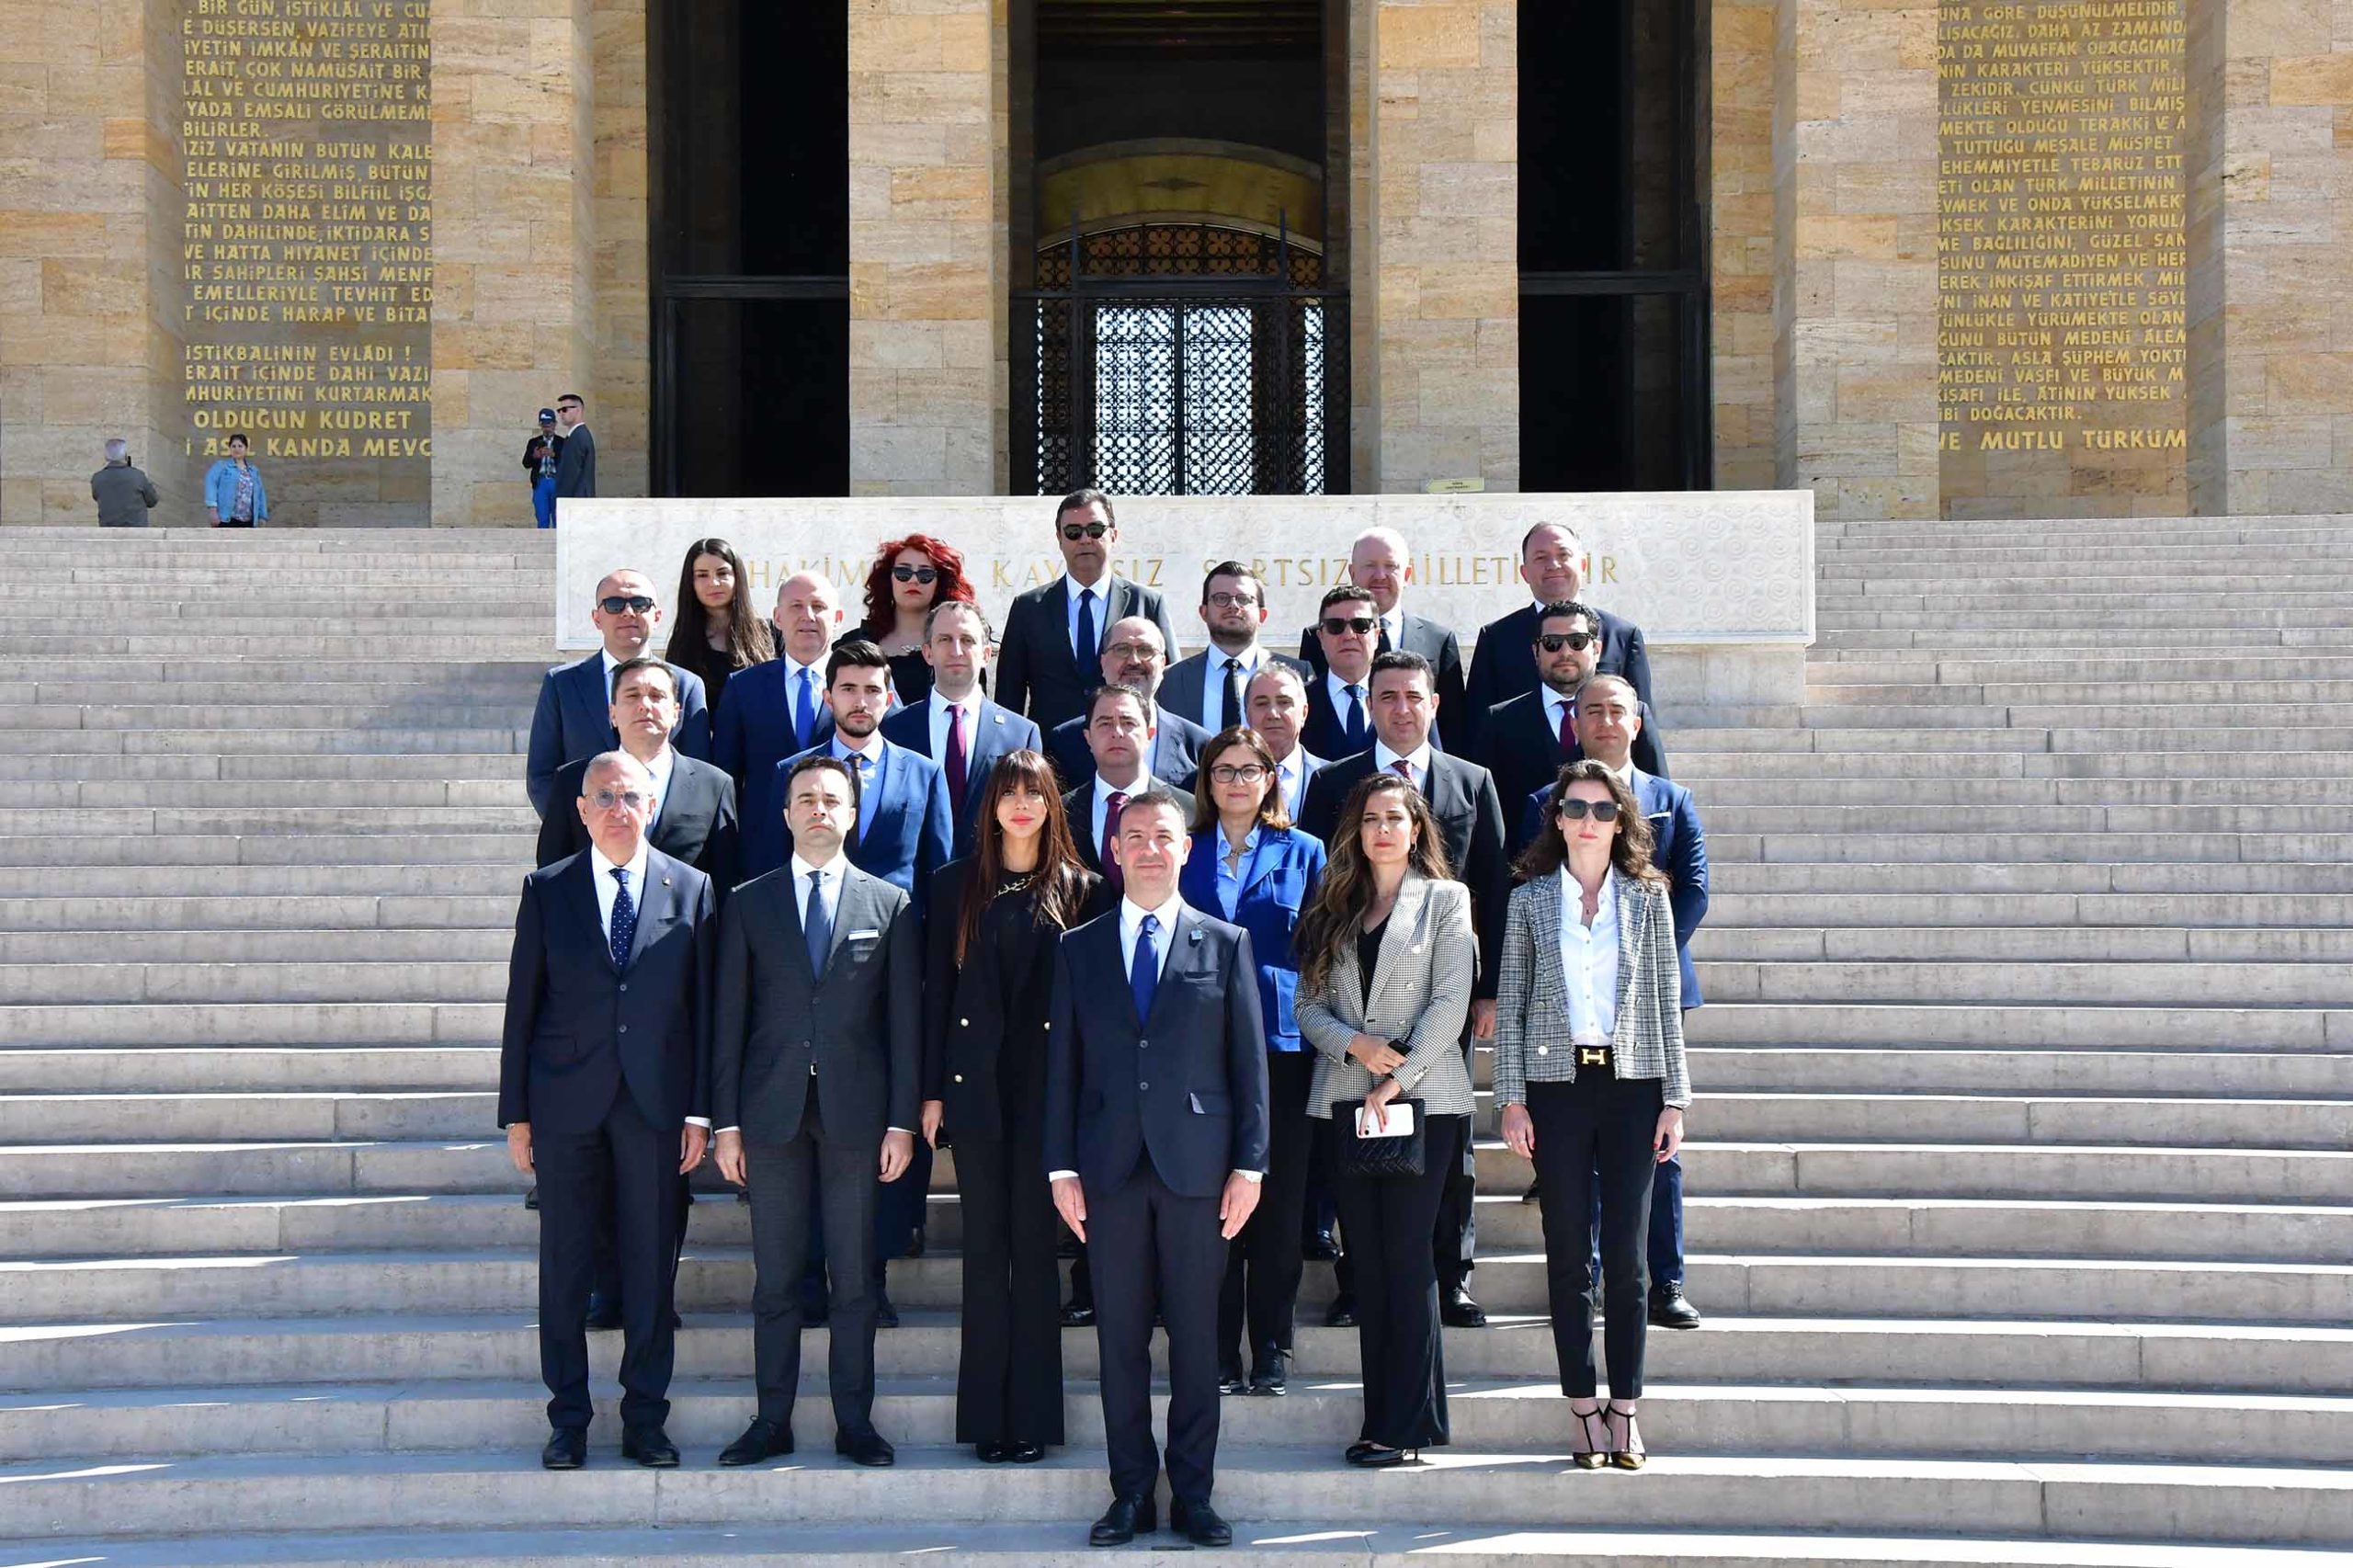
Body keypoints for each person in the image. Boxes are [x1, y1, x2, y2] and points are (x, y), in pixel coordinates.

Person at [1045, 788, 1271, 1549]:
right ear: (1114, 849)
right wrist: (1059, 1168)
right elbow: (1061, 1071)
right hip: (1107, 1171)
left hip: (1199, 1173)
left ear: (1185, 848)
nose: (1147, 847)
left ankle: (1194, 1496)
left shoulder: (1227, 943)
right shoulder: (1078, 948)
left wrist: (1251, 1165)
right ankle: (1131, 1493)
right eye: (1132, 835)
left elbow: (1250, 1067)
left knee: (1199, 1340)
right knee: (1119, 1342)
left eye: (1162, 835)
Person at [497, 751, 715, 1471]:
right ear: (582, 810)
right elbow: (522, 1007)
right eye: (604, 797)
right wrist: (517, 1116)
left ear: (651, 807)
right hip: (565, 1105)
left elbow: (703, 1011)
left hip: (655, 1107)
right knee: (564, 1268)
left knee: (652, 1268)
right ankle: (569, 1420)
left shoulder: (693, 888)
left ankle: (645, 1419)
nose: (619, 808)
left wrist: (700, 1112)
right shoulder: (547, 888)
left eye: (631, 795)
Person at [711, 756, 920, 1471]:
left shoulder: (887, 904)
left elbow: (903, 1024)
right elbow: (727, 1020)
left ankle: (854, 1422)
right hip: (768, 1117)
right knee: (774, 1281)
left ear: (853, 814)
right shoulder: (748, 901)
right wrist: (725, 1123)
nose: (819, 809)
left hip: (857, 1119)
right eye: (806, 798)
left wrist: (900, 1121)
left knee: (855, 1280)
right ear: (785, 814)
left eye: (834, 799)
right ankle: (771, 1419)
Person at [1494, 760, 1691, 1472]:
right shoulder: (1528, 901)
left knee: (1630, 1261)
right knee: (1568, 1252)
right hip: (1557, 1088)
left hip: (1633, 1086)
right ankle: (1582, 1407)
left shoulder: (1648, 898)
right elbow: (1510, 1003)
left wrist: (1676, 1098)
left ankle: (1627, 1411)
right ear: (1557, 818)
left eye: (1604, 811)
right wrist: (1510, 1099)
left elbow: (1667, 1001)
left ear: (1622, 821)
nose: (1588, 821)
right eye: (1576, 808)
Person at [1301, 650, 1506, 1329]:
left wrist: (1488, 989)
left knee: (1452, 1157)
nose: (1400, 707)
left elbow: (1493, 887)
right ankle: (1357, 1281)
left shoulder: (1471, 780)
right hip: (1356, 1003)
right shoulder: (1335, 782)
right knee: (1356, 1156)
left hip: (1440, 1010)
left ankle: (1454, 1277)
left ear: (1434, 703)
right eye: (1386, 696)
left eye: (1413, 696)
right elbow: (1326, 890)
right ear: (1371, 704)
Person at [918, 749, 1108, 1463]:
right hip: (975, 1095)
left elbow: (1096, 1011)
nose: (1022, 804)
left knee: (1034, 1256)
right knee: (982, 1252)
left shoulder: (1084, 889)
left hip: (1048, 1097)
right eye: (1010, 793)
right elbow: (935, 994)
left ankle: (1030, 1418)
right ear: (991, 805)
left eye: (1036, 792)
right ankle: (985, 1422)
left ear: (1053, 804)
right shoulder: (952, 886)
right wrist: (931, 1090)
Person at [1294, 772, 1476, 1467]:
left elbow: (1451, 1004)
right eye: (1371, 818)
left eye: (1395, 818)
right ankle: (1385, 1421)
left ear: (1416, 828)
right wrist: (1357, 1046)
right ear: (1356, 830)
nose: (1382, 830)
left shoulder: (1446, 901)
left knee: (1406, 1260)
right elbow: (1307, 1008)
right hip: (1346, 1102)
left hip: (1425, 1104)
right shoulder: (1334, 905)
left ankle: (1406, 1427)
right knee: (1367, 1266)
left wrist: (1397, 1077)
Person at [1521, 674, 1711, 1330]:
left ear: (1637, 722)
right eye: (1591, 710)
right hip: (1571, 1012)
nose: (1604, 719)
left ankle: (1666, 1280)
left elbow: (1694, 888)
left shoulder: (1671, 798)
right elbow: (1535, 886)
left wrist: (1643, 961)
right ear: (1575, 722)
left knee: (1658, 1151)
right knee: (1580, 1156)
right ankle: (1592, 1278)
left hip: (1649, 1002)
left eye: (1617, 710)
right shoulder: (1547, 801)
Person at [779, 639, 953, 1322]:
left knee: (881, 1128)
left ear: (890, 697)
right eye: (847, 688)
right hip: (812, 982)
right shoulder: (792, 774)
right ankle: (811, 1279)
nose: (860, 701)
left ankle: (870, 1279)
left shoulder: (922, 773)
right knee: (814, 1131)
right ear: (829, 696)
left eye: (872, 690)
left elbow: (937, 874)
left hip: (892, 975)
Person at [1179, 727, 1326, 1398]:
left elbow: (1325, 951)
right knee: (1212, 1205)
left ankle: (1272, 1345)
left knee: (1278, 1200)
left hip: (1282, 1046)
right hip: (1199, 1048)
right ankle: (1215, 1348)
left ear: (1272, 779)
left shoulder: (1305, 851)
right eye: (1224, 770)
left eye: (1251, 769)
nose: (1238, 781)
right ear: (1206, 781)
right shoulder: (1186, 850)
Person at [537, 658, 741, 892]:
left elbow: (726, 882)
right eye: (632, 696)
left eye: (657, 696)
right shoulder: (572, 780)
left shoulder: (714, 786)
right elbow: (550, 875)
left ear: (676, 713)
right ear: (612, 713)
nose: (644, 705)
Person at [1483, 601, 1669, 855]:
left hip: (1620, 870)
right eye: (1552, 643)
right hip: (1529, 877)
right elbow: (1489, 817)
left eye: (1577, 641)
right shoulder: (1500, 721)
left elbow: (1657, 801)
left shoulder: (1631, 714)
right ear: (1536, 651)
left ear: (1597, 649)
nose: (1565, 652)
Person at [526, 570, 712, 818]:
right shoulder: (562, 684)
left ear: (656, 616)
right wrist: (582, 831)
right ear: (596, 618)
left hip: (666, 846)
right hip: (585, 842)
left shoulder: (687, 686)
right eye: (614, 605)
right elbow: (542, 775)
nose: (628, 612)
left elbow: (696, 775)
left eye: (639, 603)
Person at [995, 488, 1178, 733]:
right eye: (1073, 532)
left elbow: (1172, 685)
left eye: (1095, 530)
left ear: (1113, 535)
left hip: (1126, 746)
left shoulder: (1147, 602)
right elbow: (1009, 694)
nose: (1085, 539)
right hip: (1051, 755)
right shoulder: (1028, 608)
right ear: (1059, 538)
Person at [1462, 522, 1652, 751]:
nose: (1553, 565)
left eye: (1563, 554)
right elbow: (1476, 729)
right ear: (1524, 572)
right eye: (1541, 558)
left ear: (1582, 564)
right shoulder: (1497, 638)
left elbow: (1640, 728)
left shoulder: (1622, 635)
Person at [879, 600, 1043, 856]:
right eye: (945, 639)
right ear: (927, 653)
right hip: (914, 885)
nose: (956, 651)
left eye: (967, 640)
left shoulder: (1021, 734)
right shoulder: (893, 729)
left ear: (987, 654)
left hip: (991, 883)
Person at [713, 572, 844, 876]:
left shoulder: (860, 684)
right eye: (796, 606)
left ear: (838, 618)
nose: (807, 616)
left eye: (818, 606)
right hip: (763, 856)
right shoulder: (743, 687)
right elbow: (726, 781)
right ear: (777, 618)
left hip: (840, 849)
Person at [1296, 527, 1467, 723]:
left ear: (1407, 575)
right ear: (1352, 572)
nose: (1380, 575)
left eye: (1390, 566)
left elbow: (1454, 728)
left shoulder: (1439, 641)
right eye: (1370, 565)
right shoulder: (1321, 635)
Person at [1045, 615, 1210, 790]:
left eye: (1146, 650)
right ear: (1103, 662)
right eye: (1122, 649)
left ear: (1163, 664)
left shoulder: (1198, 744)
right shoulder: (1064, 741)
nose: (1134, 661)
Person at [1059, 684, 1197, 883]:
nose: (1117, 732)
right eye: (1105, 723)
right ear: (1088, 738)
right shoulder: (1059, 812)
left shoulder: (1189, 810)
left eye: (1128, 722)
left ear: (1150, 734)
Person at [1162, 562, 1309, 738]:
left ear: (1263, 614)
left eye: (1244, 599)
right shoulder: (1171, 679)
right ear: (1203, 612)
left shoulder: (1300, 673)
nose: (1233, 605)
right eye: (1221, 598)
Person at [858, 533, 977, 709]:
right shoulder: (857, 642)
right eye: (903, 573)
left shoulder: (960, 648)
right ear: (888, 580)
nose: (914, 580)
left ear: (939, 584)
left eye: (925, 574)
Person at [665, 537, 776, 714]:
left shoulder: (771, 633)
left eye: (723, 573)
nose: (713, 583)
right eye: (702, 575)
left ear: (737, 577)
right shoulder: (682, 644)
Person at [1302, 585, 1380, 761]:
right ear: (1321, 638)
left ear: (1376, 636)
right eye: (1335, 626)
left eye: (1361, 625)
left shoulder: (1401, 700)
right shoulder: (1298, 702)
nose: (1349, 635)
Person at [1247, 663, 1324, 824]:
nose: (1273, 714)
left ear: (1304, 713)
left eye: (1284, 702)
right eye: (1262, 703)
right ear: (1248, 716)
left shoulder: (1334, 779)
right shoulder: (1230, 781)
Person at [203, 433, 267, 527]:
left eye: (240, 446)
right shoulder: (222, 466)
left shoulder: (253, 471)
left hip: (248, 521)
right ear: (230, 449)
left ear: (246, 448)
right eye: (233, 446)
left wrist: (262, 516)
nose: (237, 449)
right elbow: (211, 485)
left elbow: (260, 494)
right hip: (227, 520)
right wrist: (212, 510)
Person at [92, 439, 160, 527]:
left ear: (106, 457)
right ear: (125, 456)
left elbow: (96, 496)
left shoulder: (97, 478)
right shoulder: (138, 475)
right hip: (136, 529)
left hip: (108, 528)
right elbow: (152, 501)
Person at [553, 392, 597, 508]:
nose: (561, 413)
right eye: (559, 410)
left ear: (577, 410)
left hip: (576, 501)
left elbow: (571, 473)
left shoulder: (578, 436)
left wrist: (561, 501)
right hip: (577, 500)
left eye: (565, 409)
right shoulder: (576, 435)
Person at [524, 410, 561, 529]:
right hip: (540, 482)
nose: (546, 428)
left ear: (555, 424)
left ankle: (558, 546)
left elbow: (568, 464)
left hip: (557, 482)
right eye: (544, 425)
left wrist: (554, 455)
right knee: (542, 518)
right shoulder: (533, 442)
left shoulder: (562, 442)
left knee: (558, 518)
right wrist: (534, 456)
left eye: (549, 424)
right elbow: (526, 463)